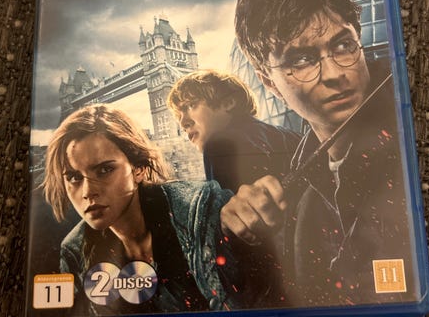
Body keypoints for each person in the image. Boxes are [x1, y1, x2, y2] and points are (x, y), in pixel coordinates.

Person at [221, 0, 416, 307]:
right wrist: (244, 240)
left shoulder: (408, 136)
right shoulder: (299, 191)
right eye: (302, 60)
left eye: (343, 45)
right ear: (268, 82)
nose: (335, 73)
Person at [42, 104, 277, 315]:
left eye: (104, 170)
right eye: (73, 177)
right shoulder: (74, 250)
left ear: (139, 169)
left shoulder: (201, 208)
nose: (87, 191)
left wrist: (253, 211)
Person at [167, 69, 301, 192]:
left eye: (191, 105)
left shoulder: (219, 145)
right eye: (179, 116)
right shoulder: (294, 138)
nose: (183, 123)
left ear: (228, 103)